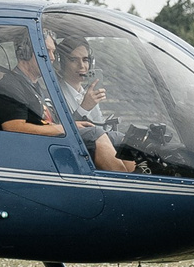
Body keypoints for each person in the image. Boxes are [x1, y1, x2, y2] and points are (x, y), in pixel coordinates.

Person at [49, 31, 140, 173]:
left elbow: (102, 130)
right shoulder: (53, 93)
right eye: (74, 60)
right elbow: (62, 134)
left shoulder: (88, 93)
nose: (82, 66)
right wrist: (84, 108)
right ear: (61, 63)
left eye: (85, 60)